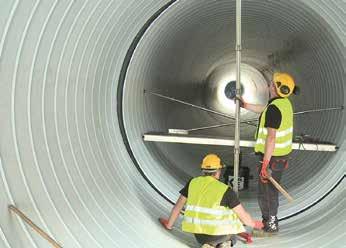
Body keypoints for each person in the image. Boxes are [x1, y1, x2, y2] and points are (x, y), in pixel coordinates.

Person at [159, 154, 264, 248]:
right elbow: (244, 218)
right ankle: (225, 244)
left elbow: (178, 207)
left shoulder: (192, 183)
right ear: (218, 171)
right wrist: (255, 224)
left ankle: (209, 245)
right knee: (234, 230)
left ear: (203, 170)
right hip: (220, 235)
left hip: (199, 236)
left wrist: (169, 224)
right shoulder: (225, 190)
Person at [240, 72, 297, 233]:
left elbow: (271, 138)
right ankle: (270, 221)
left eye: (271, 83)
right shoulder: (283, 104)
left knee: (266, 193)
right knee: (270, 191)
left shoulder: (274, 109)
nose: (268, 85)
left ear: (275, 88)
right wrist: (245, 106)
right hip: (280, 157)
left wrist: (265, 164)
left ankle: (270, 223)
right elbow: (264, 109)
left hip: (272, 158)